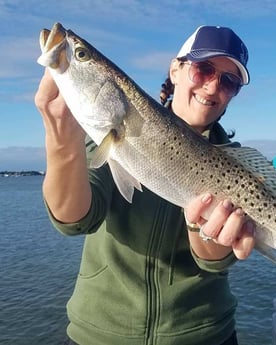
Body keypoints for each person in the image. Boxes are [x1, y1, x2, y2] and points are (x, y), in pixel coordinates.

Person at [35, 25, 255, 345]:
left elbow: (213, 260)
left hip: (204, 336)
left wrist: (204, 227)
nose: (212, 87)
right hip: (98, 335)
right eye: (204, 69)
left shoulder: (237, 169)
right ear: (176, 70)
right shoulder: (109, 131)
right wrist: (61, 140)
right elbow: (74, 219)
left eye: (229, 81)